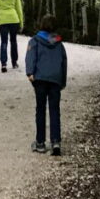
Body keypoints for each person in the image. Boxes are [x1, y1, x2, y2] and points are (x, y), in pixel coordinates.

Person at [25, 14, 67, 156]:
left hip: (40, 79)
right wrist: (62, 81)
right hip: (55, 80)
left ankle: (40, 142)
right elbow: (63, 62)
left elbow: (30, 57)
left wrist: (30, 73)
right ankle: (55, 141)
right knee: (55, 109)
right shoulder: (58, 43)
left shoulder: (35, 41)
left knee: (41, 109)